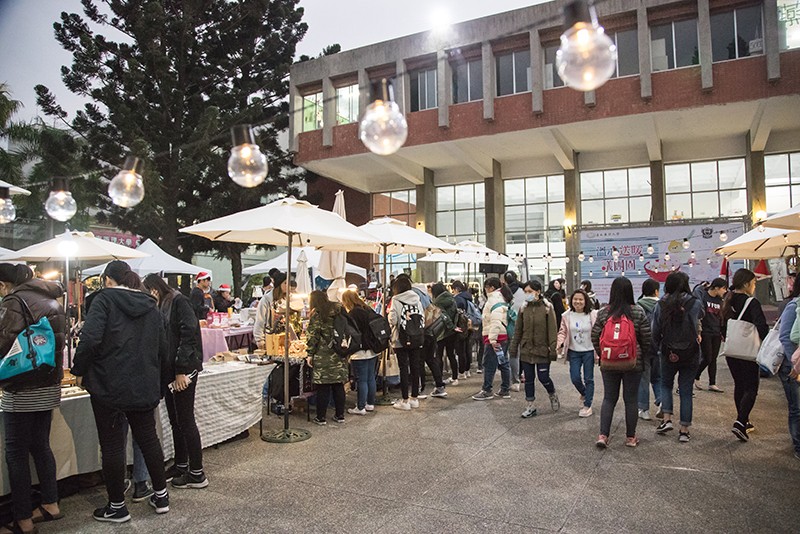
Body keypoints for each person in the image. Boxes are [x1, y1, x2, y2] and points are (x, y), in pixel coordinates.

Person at [71, 261, 170, 522]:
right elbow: (163, 348)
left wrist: (78, 369)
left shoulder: (103, 301)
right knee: (148, 438)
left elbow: (90, 339)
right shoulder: (151, 305)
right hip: (143, 383)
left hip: (108, 384)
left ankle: (117, 506)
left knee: (112, 445)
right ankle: (161, 495)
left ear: (107, 280)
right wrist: (159, 384)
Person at [0, 264, 66, 534]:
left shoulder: (14, 301)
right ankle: (51, 504)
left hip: (20, 386)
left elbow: (3, 342)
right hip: (48, 383)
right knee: (41, 445)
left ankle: (23, 520)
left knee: (16, 453)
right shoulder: (52, 299)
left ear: (4, 284)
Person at [142, 274, 208, 489]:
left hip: (184, 370)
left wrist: (181, 370)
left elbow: (189, 336)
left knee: (185, 419)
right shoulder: (162, 304)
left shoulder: (179, 301)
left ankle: (197, 473)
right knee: (175, 419)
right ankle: (181, 464)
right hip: (170, 370)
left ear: (155, 288)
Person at [591, 277, 651, 448]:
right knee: (631, 399)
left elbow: (595, 335)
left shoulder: (604, 312)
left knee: (609, 398)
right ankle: (631, 438)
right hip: (633, 362)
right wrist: (642, 356)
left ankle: (603, 436)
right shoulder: (638, 311)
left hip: (609, 362)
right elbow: (646, 337)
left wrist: (602, 354)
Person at [652, 272, 704, 443]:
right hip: (690, 352)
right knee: (686, 390)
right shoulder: (694, 302)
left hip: (668, 351)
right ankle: (684, 430)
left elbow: (655, 330)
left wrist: (659, 346)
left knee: (666, 385)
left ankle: (666, 420)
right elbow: (701, 315)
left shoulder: (661, 304)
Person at [723, 268, 769, 442]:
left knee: (739, 385)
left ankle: (744, 420)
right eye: (754, 282)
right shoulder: (752, 302)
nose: (755, 285)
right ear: (746, 283)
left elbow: (723, 325)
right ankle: (741, 422)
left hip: (732, 350)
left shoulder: (727, 299)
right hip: (748, 351)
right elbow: (762, 326)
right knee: (751, 387)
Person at [509, 280, 559, 418]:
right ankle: (530, 406)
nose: (527, 294)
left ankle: (552, 393)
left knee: (544, 377)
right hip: (526, 349)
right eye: (525, 292)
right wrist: (514, 348)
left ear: (538, 291)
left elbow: (552, 330)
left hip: (542, 349)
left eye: (529, 291)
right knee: (529, 379)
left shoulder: (548, 308)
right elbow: (518, 330)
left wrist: (553, 349)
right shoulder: (523, 308)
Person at [306, 290, 348, 424]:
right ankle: (340, 415)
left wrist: (309, 354)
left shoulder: (317, 314)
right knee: (338, 385)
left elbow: (313, 336)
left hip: (323, 354)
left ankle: (321, 417)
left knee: (323, 387)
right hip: (340, 352)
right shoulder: (339, 308)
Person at [557, 288, 597, 418]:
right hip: (574, 351)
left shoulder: (593, 314)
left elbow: (598, 331)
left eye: (580, 299)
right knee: (575, 377)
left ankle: (587, 404)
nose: (577, 302)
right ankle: (584, 393)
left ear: (586, 301)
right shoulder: (566, 315)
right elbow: (562, 331)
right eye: (575, 299)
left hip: (589, 351)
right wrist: (558, 343)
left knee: (589, 378)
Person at [472, 278, 512, 400]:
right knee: (503, 362)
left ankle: (487, 390)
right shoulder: (502, 297)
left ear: (491, 288)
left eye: (486, 287)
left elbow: (495, 321)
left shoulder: (494, 299)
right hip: (502, 335)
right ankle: (505, 389)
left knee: (489, 363)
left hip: (495, 337)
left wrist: (492, 339)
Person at [388, 277, 424, 411]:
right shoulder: (417, 298)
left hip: (400, 339)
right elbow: (422, 317)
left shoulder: (396, 300)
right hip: (416, 338)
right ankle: (414, 398)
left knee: (404, 368)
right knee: (415, 367)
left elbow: (393, 319)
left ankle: (405, 400)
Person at [341, 290, 378, 415]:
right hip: (372, 349)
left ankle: (361, 407)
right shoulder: (367, 309)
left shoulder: (352, 314)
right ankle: (370, 403)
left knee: (361, 379)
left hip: (359, 350)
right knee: (370, 378)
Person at [777, 280, 800, 461]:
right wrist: (795, 363)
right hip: (790, 365)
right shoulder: (793, 306)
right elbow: (786, 336)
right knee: (796, 407)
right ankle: (798, 445)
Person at [693, 278, 727, 392]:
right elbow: (699, 313)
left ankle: (712, 383)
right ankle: (696, 375)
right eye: (723, 288)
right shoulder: (703, 297)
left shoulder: (720, 300)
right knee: (707, 357)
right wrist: (698, 331)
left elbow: (721, 316)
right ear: (716, 288)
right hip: (705, 331)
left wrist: (722, 331)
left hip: (716, 331)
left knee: (713, 358)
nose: (725, 291)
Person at [636, 279, 662, 421]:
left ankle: (644, 410)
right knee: (658, 377)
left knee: (643, 379)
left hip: (643, 347)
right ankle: (661, 400)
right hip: (659, 347)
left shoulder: (638, 306)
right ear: (656, 291)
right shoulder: (662, 305)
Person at [431, 282, 460, 386]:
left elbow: (443, 316)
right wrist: (454, 327)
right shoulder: (452, 298)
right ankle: (455, 377)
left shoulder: (438, 301)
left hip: (442, 332)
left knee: (439, 355)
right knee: (451, 354)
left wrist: (450, 326)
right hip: (453, 332)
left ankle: (439, 379)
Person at [453, 280, 477, 379]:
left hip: (461, 326)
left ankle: (462, 371)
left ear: (456, 289)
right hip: (469, 325)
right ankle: (467, 370)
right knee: (468, 349)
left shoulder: (458, 299)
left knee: (461, 349)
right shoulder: (469, 297)